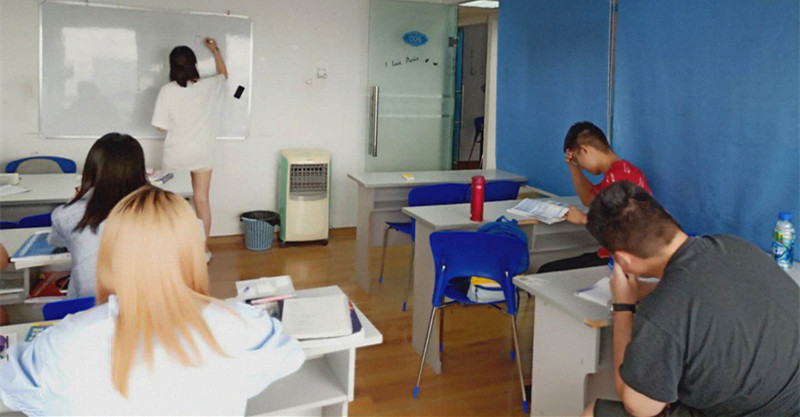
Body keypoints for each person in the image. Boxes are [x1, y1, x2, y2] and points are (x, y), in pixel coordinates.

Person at [0, 186, 305, 415]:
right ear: (194, 252)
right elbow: (289, 356)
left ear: (111, 254)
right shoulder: (241, 326)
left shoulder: (66, 342)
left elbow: (12, 386)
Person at [582, 181, 799, 417]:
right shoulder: (731, 245)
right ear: (666, 216)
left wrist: (623, 305)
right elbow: (701, 289)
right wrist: (641, 291)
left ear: (624, 260)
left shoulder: (661, 313)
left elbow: (640, 407)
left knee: (595, 413)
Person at [538, 121, 651, 273]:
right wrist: (574, 166)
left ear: (584, 150)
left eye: (579, 161)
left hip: (623, 263)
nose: (582, 166)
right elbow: (589, 199)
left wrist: (583, 219)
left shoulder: (622, 177)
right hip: (609, 255)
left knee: (547, 272)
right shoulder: (617, 173)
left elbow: (626, 230)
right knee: (548, 269)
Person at [152, 37, 228, 261]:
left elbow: (160, 127)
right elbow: (224, 75)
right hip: (203, 152)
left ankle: (174, 250)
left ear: (172, 67)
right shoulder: (208, 86)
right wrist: (215, 50)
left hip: (176, 155)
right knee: (201, 200)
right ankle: (203, 250)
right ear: (194, 64)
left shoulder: (167, 91)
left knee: (174, 204)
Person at [48, 133, 148, 299]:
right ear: (139, 170)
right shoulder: (157, 212)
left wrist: (74, 201)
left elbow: (56, 241)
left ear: (91, 168)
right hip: (144, 304)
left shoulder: (66, 214)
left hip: (87, 307)